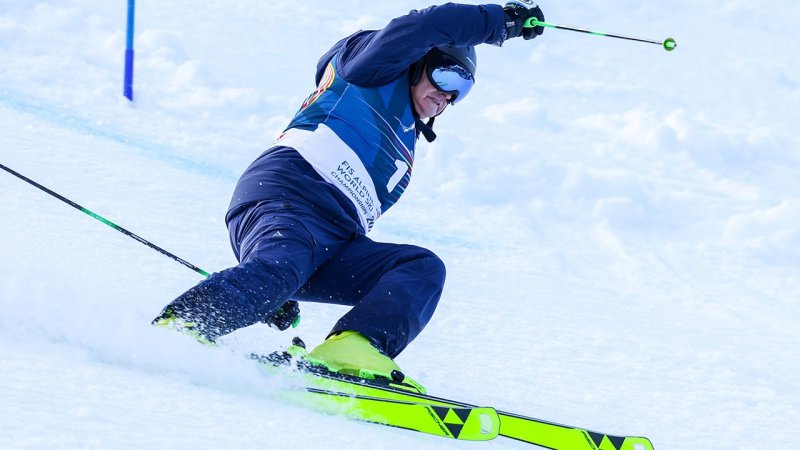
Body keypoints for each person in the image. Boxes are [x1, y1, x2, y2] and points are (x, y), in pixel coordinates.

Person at [153, 1, 545, 389]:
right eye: (446, 77)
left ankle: (351, 349)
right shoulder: (372, 69)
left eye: (462, 89)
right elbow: (427, 25)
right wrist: (501, 22)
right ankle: (179, 329)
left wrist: (276, 289)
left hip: (334, 237)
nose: (448, 96)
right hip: (291, 193)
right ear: (417, 61)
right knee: (284, 264)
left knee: (420, 268)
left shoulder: (405, 135)